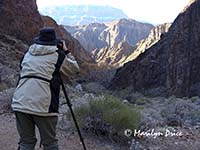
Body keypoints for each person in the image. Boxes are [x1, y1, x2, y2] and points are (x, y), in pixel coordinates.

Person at [11, 27, 80, 150]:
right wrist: (67, 51)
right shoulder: (58, 55)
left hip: (19, 101)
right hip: (43, 105)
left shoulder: (27, 54)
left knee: (26, 142)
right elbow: (75, 69)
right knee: (50, 143)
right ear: (55, 42)